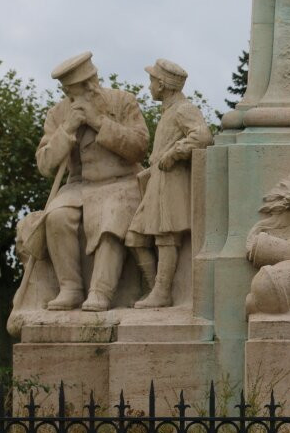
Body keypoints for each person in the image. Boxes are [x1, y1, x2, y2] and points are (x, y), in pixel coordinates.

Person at [36, 52, 149, 311]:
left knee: (113, 217)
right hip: (78, 187)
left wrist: (99, 122)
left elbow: (139, 147)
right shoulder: (58, 114)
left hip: (122, 182)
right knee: (56, 216)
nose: (90, 88)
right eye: (81, 86)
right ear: (67, 90)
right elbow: (45, 164)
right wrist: (67, 130)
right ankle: (71, 288)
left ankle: (100, 292)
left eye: (92, 80)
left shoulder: (122, 102)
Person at [126, 59, 213, 308]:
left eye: (152, 81)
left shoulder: (183, 109)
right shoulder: (168, 110)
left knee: (166, 238)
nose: (149, 86)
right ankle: (156, 289)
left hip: (171, 181)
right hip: (157, 180)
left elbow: (202, 135)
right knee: (135, 237)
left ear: (162, 84)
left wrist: (175, 152)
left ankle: (162, 292)